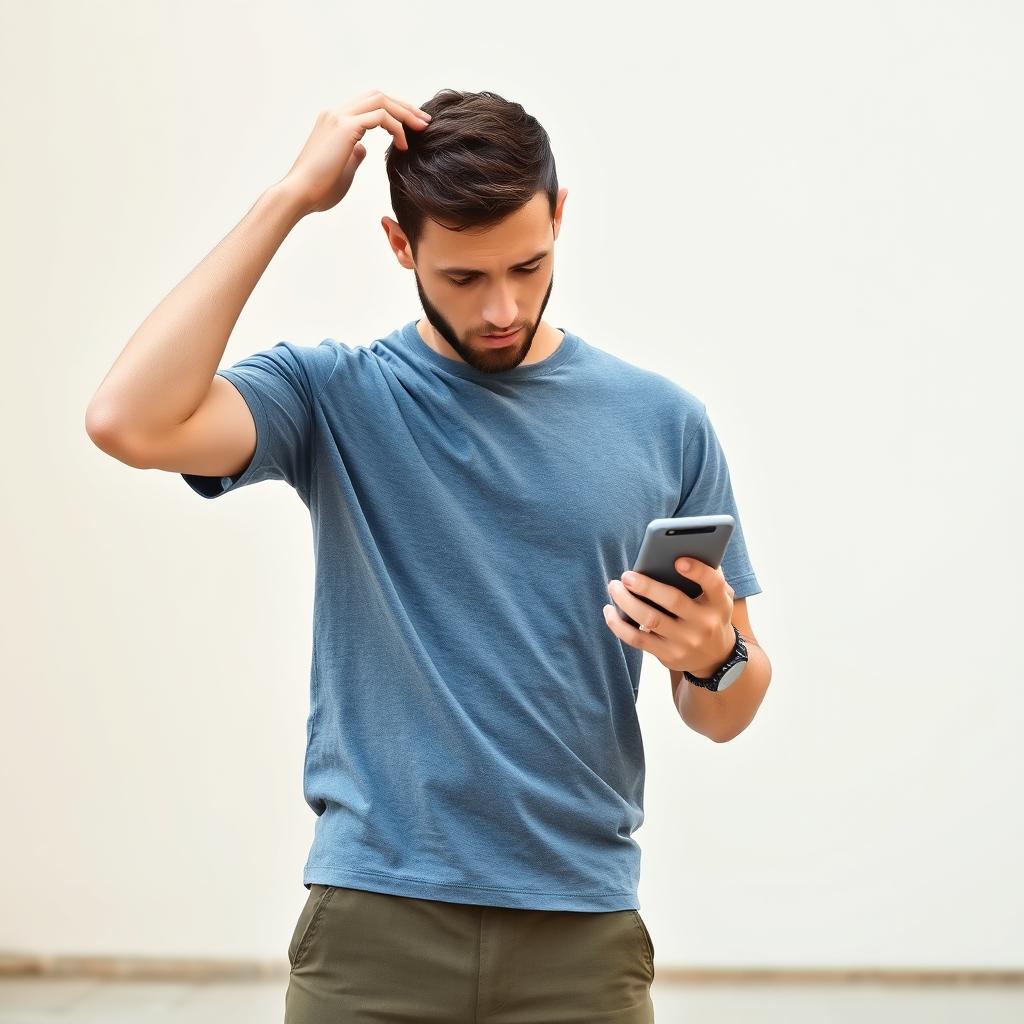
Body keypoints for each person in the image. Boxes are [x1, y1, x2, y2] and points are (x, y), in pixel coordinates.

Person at [85, 87, 767, 1023]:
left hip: (581, 934)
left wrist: (714, 656)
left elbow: (727, 711)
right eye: (462, 277)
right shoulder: (333, 396)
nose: (502, 306)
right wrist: (289, 196)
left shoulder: (665, 423)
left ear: (560, 217)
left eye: (529, 266)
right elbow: (127, 420)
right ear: (401, 247)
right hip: (373, 933)